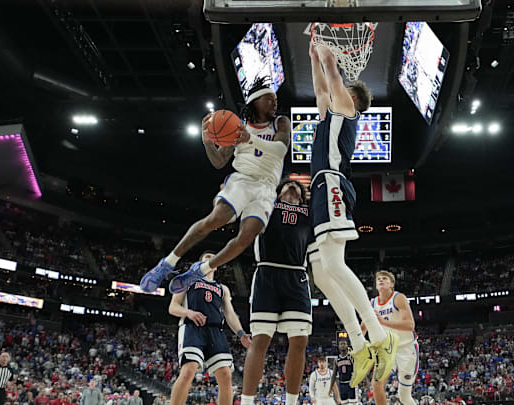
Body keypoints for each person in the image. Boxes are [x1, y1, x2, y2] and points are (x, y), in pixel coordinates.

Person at [139, 77, 291, 294]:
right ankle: (168, 263)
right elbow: (219, 161)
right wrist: (208, 142)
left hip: (267, 188)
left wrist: (250, 139)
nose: (274, 103)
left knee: (246, 238)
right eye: (269, 99)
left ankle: (201, 270)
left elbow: (280, 149)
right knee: (216, 219)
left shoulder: (281, 122)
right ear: (255, 101)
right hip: (243, 179)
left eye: (275, 99)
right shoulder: (238, 125)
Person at [307, 40, 397, 387]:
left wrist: (326, 51)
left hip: (332, 184)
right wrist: (314, 55)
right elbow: (319, 85)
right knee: (322, 273)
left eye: (336, 91)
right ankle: (359, 344)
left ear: (350, 98)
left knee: (335, 265)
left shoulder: (347, 109)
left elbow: (330, 79)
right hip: (319, 188)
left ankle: (378, 335)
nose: (328, 94)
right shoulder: (329, 113)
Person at [240, 179, 313, 405]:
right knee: (260, 339)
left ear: (302, 197)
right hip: (267, 274)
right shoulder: (265, 205)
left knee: (300, 340)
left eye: (297, 187)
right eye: (287, 185)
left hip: (297, 275)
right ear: (278, 193)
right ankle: (246, 401)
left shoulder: (310, 214)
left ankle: (291, 402)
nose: (292, 187)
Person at [167, 251, 251, 405]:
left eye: (214, 258)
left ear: (217, 266)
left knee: (226, 375)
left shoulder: (222, 288)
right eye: (207, 257)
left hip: (215, 331)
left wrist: (241, 334)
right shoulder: (188, 281)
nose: (211, 259)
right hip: (192, 328)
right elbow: (173, 307)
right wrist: (188, 312)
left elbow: (230, 314)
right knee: (189, 370)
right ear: (200, 264)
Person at [365, 271, 418, 405]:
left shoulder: (398, 298)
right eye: (379, 279)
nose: (381, 280)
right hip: (387, 350)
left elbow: (410, 325)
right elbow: (363, 327)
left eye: (385, 279)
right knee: (376, 384)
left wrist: (384, 322)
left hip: (406, 348)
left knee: (404, 396)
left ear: (392, 284)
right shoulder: (372, 303)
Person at [329, 340, 358, 405]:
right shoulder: (337, 359)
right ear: (338, 346)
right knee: (344, 403)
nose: (342, 345)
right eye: (341, 344)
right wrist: (330, 388)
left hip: (351, 383)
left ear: (347, 346)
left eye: (344, 344)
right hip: (341, 385)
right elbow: (334, 375)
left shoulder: (351, 357)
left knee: (353, 403)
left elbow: (357, 370)